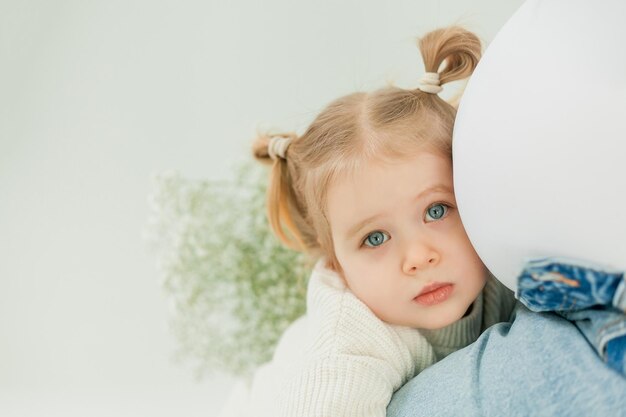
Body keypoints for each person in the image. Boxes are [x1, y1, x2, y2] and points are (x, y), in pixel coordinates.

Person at [219, 26, 517, 417]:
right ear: (335, 261)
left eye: (436, 211)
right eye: (375, 238)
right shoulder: (353, 339)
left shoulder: (497, 262)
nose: (418, 257)